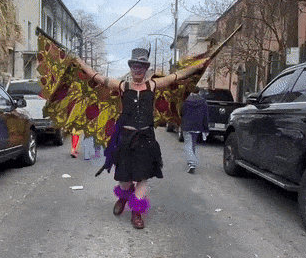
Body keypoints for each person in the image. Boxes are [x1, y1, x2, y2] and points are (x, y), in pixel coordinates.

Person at [78, 47, 208, 229]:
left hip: (146, 138)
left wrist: (199, 66)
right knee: (124, 179)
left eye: (141, 66)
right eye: (135, 66)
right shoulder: (123, 86)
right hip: (126, 138)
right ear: (131, 68)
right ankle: (124, 196)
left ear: (146, 68)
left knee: (143, 177)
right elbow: (97, 77)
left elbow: (177, 76)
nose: (137, 69)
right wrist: (79, 62)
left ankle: (136, 213)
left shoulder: (153, 85)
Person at [180, 88, 209, 174]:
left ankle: (192, 163)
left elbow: (181, 112)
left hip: (187, 125)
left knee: (188, 144)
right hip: (197, 126)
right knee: (193, 143)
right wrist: (206, 129)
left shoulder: (185, 101)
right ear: (199, 92)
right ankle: (191, 161)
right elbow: (205, 116)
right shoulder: (203, 102)